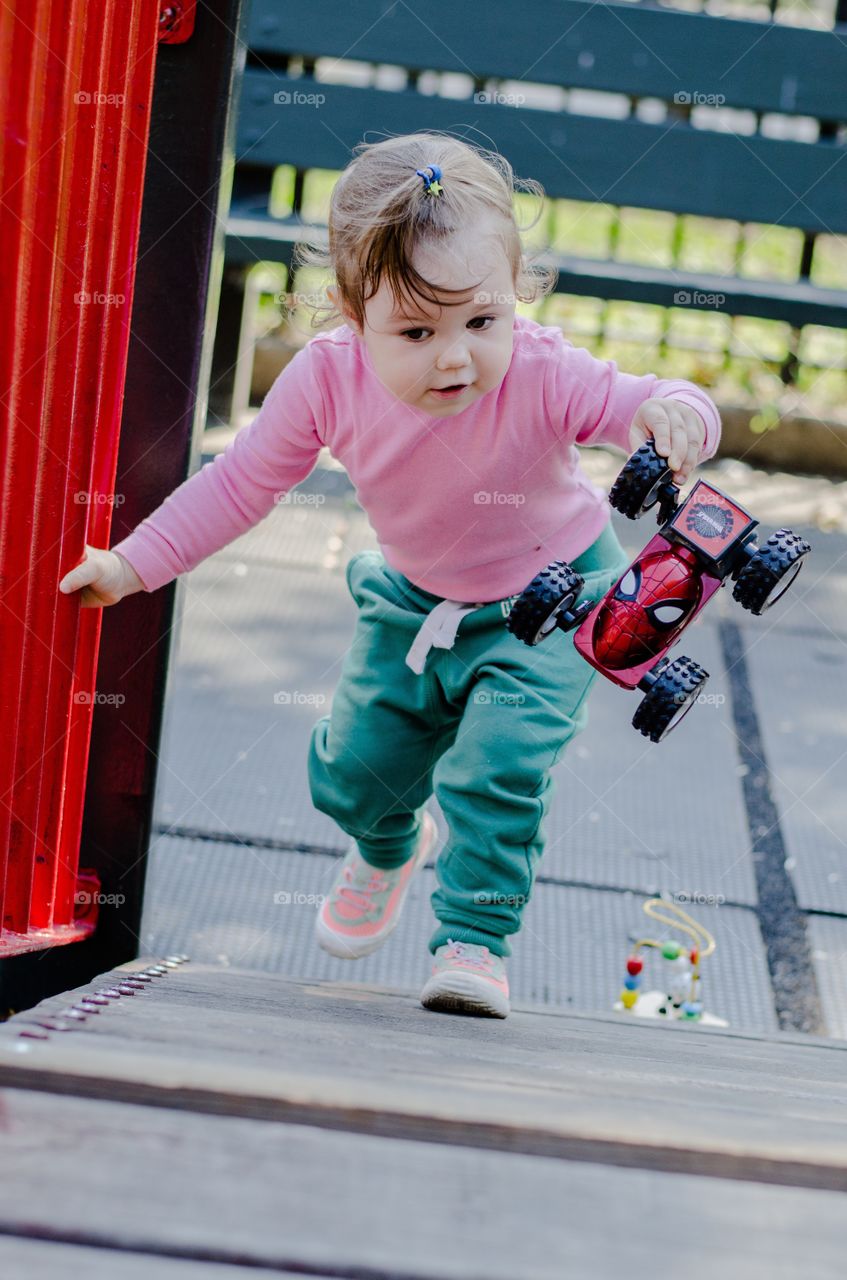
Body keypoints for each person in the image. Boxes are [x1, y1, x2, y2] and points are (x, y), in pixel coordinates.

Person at [58, 131, 721, 1019]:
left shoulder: (540, 370)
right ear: (349, 309)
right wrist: (133, 563)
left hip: (554, 600)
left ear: (514, 299)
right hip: (413, 602)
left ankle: (473, 943)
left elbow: (644, 399)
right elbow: (241, 482)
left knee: (498, 767)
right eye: (417, 330)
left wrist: (676, 414)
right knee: (354, 777)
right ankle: (385, 842)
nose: (455, 357)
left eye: (481, 322)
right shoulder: (325, 384)